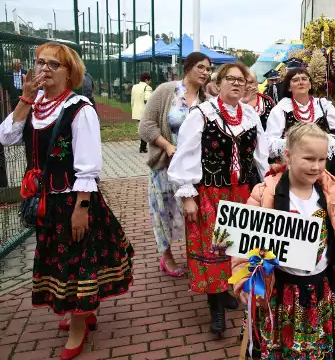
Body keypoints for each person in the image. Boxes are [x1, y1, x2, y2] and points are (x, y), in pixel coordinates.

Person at [0, 42, 134, 359]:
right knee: (60, 264)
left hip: (74, 200)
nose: (43, 69)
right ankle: (83, 313)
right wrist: (25, 100)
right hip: (47, 201)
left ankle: (79, 326)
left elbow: (88, 165)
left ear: (69, 72)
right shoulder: (35, 104)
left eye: (52, 65)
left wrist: (81, 209)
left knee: (76, 265)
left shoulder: (80, 109)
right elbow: (5, 137)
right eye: (39, 62)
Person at [232, 122, 335, 359]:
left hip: (320, 291)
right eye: (308, 158)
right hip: (279, 291)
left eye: (321, 159)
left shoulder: (330, 193)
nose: (316, 167)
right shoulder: (265, 194)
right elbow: (245, 244)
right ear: (288, 155)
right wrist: (244, 279)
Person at [168, 62, 269, 336]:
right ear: (219, 82)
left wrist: (267, 185)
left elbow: (260, 156)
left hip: (243, 193)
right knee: (215, 248)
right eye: (231, 79)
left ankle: (228, 290)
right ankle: (215, 306)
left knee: (241, 247)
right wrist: (187, 193)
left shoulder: (250, 115)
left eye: (243, 81)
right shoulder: (202, 114)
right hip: (213, 193)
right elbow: (185, 154)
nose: (238, 84)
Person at [139, 52, 211, 277]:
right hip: (164, 167)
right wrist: (168, 146)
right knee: (164, 212)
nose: (205, 72)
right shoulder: (166, 91)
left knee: (190, 213)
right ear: (187, 67)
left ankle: (194, 254)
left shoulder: (206, 101)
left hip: (192, 170)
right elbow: (146, 126)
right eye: (200, 67)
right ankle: (167, 256)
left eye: (208, 69)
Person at [265, 67, 335, 205]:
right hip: (296, 169)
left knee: (328, 207)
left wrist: (323, 141)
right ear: (289, 87)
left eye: (304, 79)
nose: (301, 82)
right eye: (295, 80)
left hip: (326, 167)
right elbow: (270, 142)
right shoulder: (281, 110)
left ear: (309, 84)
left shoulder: (324, 106)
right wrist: (297, 143)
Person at [131, 72, 153, 153]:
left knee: (143, 129)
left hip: (136, 111)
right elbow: (148, 99)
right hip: (144, 111)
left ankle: (143, 147)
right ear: (146, 80)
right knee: (145, 129)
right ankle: (143, 147)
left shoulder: (134, 87)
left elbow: (132, 100)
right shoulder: (147, 88)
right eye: (149, 80)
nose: (150, 82)